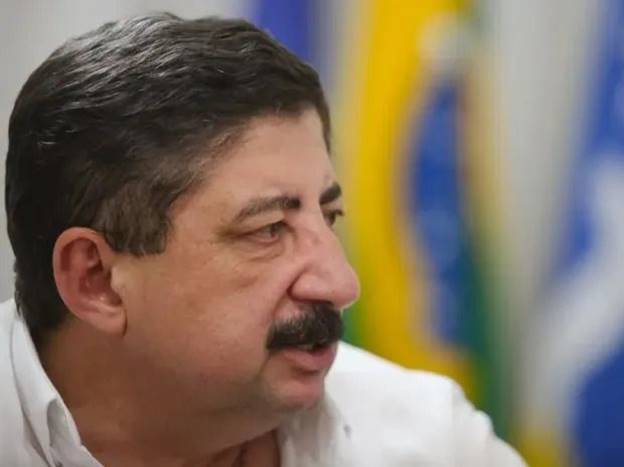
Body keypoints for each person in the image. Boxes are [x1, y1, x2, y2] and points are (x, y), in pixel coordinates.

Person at [0, 13, 524, 467]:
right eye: (269, 230)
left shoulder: (429, 440)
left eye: (329, 216)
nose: (342, 284)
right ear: (95, 279)